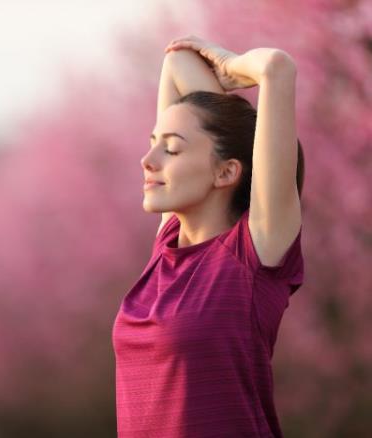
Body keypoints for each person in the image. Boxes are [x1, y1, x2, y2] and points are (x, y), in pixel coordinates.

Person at [112, 35, 305, 437]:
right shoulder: (167, 245)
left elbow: (277, 67)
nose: (148, 161)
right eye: (153, 145)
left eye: (172, 150)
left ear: (226, 173)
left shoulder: (253, 255)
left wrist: (230, 65)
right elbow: (177, 62)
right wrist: (224, 111)